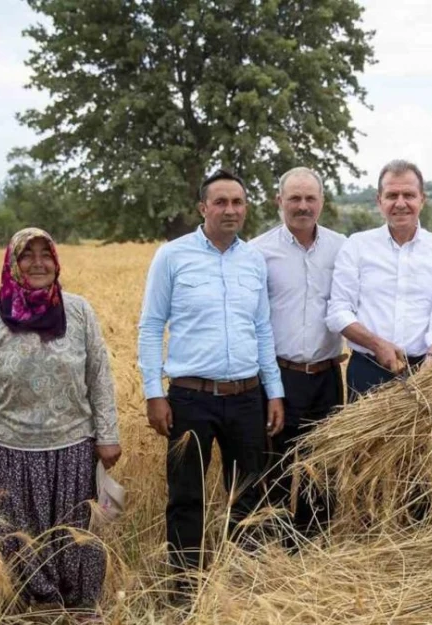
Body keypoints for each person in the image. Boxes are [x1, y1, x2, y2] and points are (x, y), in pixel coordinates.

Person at [0, 227, 120, 614]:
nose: (38, 263)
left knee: (74, 537)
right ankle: (18, 612)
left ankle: (78, 609)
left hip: (72, 449)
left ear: (57, 261)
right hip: (5, 451)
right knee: (9, 539)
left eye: (46, 254)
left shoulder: (78, 312)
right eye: (27, 255)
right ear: (12, 263)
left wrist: (108, 434)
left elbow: (99, 376)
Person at [137, 169, 285, 574]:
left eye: (237, 202)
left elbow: (261, 328)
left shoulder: (254, 261)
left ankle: (242, 584)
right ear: (203, 207)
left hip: (246, 396)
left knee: (249, 493)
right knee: (186, 496)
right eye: (220, 202)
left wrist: (274, 391)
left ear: (246, 208)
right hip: (190, 398)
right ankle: (185, 588)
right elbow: (151, 324)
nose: (230, 210)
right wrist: (154, 392)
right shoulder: (173, 256)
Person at [252, 167, 346, 536]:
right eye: (294, 198)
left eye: (310, 198)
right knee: (274, 466)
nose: (302, 206)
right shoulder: (258, 252)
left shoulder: (343, 248)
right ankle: (275, 546)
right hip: (278, 376)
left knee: (322, 467)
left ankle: (314, 544)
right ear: (279, 202)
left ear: (321, 202)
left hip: (327, 376)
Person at [326, 159, 432, 400]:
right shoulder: (356, 246)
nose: (400, 203)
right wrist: (377, 345)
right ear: (379, 201)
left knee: (422, 439)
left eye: (409, 195)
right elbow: (338, 311)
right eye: (392, 195)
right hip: (367, 371)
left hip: (425, 369)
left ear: (423, 199)